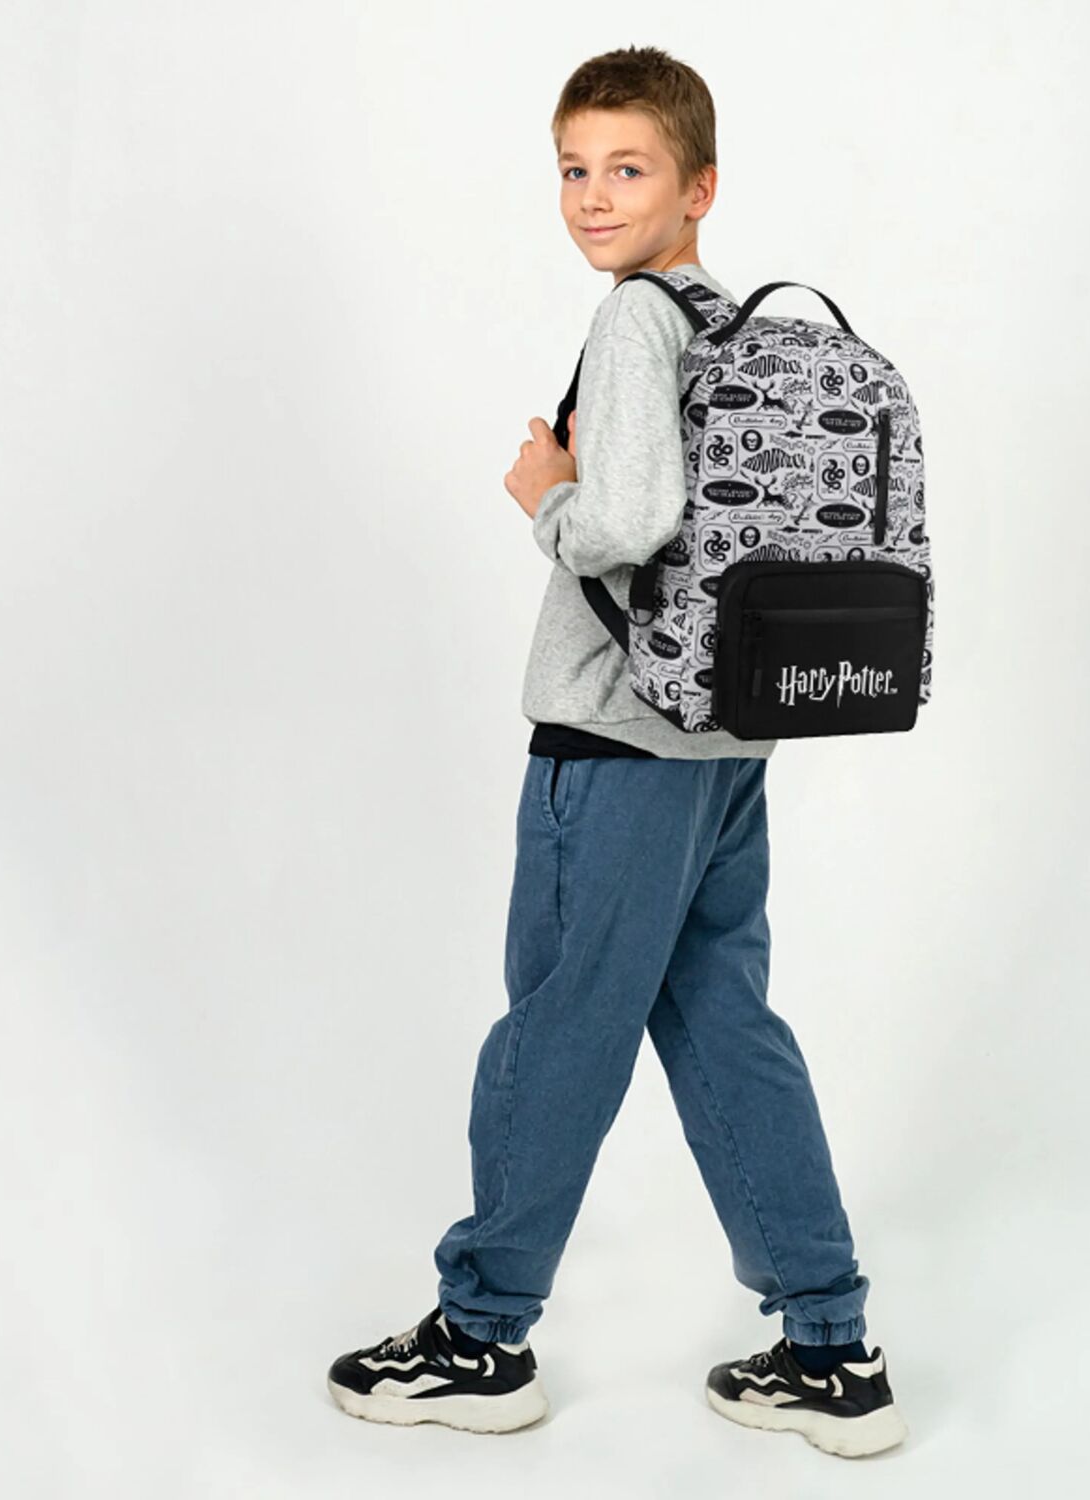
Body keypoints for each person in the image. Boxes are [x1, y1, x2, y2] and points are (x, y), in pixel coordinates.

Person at [326, 45, 907, 1459]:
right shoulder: (732, 323)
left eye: (627, 168)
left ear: (698, 187)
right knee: (725, 1023)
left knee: (561, 1023)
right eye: (574, 169)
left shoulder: (641, 322)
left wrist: (546, 494)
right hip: (725, 734)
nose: (593, 196)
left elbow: (630, 522)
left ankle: (480, 1337)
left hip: (616, 740)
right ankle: (831, 1347)